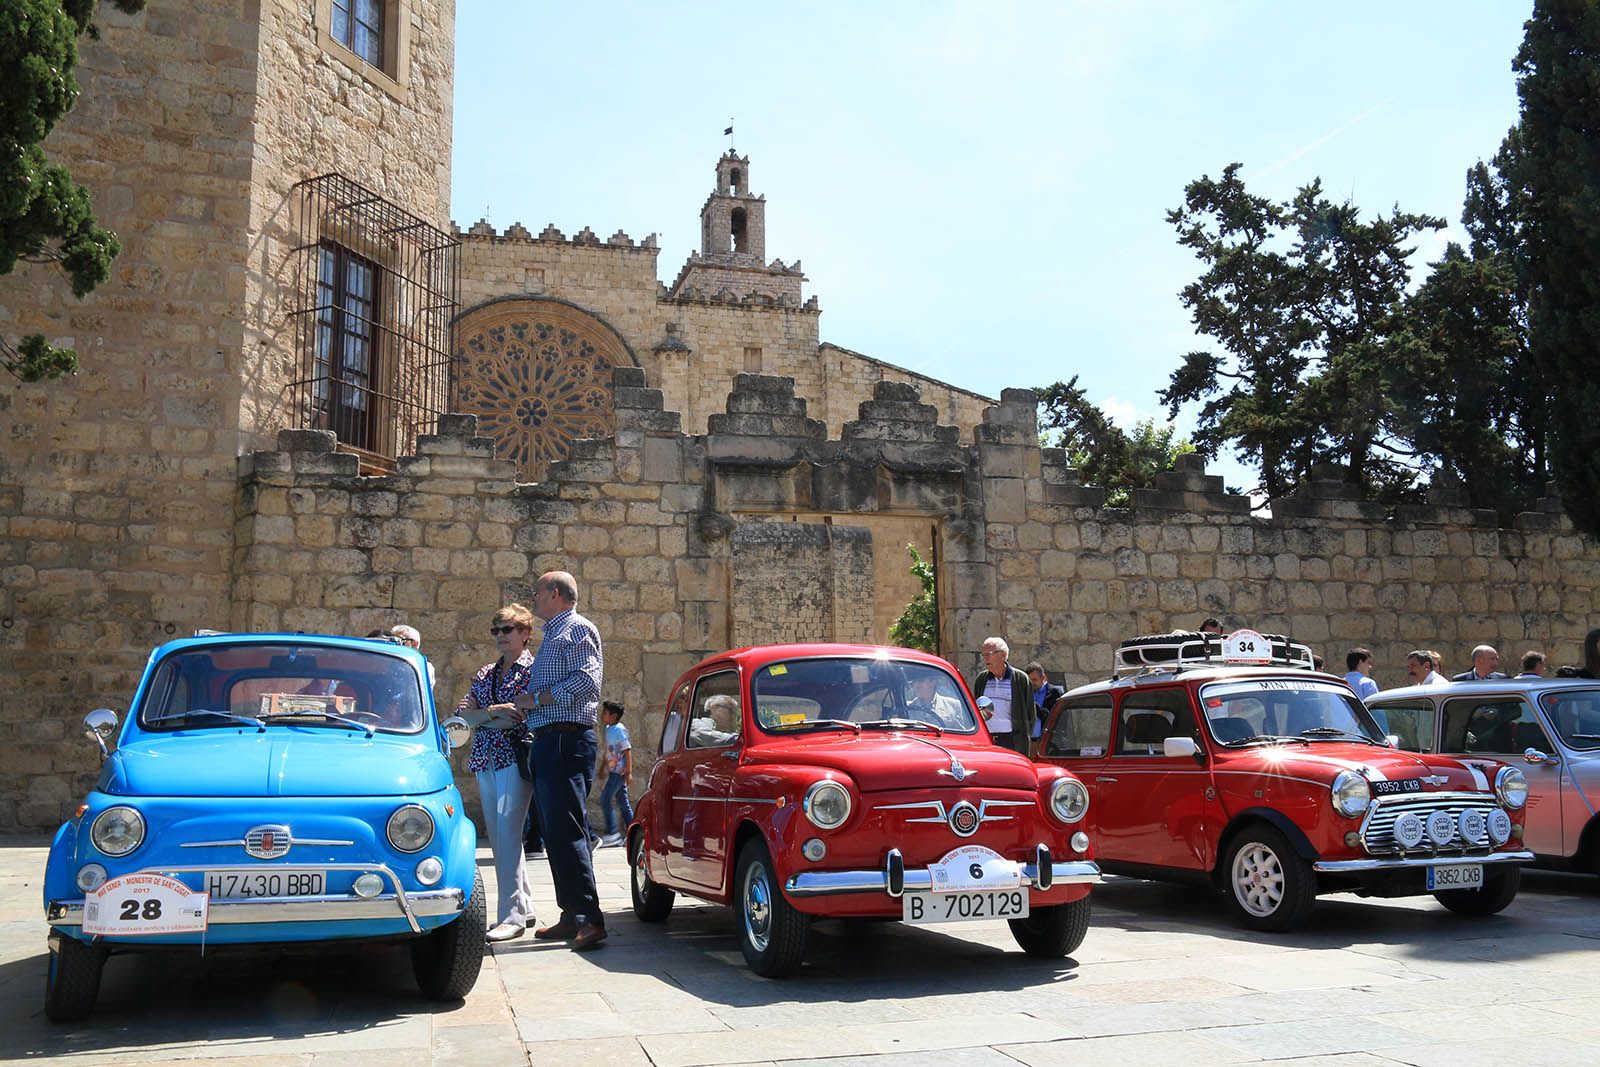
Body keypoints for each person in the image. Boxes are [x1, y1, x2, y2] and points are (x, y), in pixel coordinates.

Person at [513, 571, 607, 950]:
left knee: (567, 830)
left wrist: (535, 700)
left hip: (567, 739)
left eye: (538, 592)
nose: (534, 598)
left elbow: (587, 681)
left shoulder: (577, 628)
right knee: (554, 832)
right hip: (551, 739)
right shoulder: (554, 632)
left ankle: (589, 919)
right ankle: (572, 915)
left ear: (555, 594)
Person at [455, 604, 536, 943]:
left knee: (505, 835)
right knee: (503, 834)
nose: (501, 635)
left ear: (525, 633)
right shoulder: (486, 671)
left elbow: (519, 717)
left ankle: (511, 915)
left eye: (508, 629)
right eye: (496, 629)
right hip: (485, 757)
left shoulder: (532, 670)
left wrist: (482, 714)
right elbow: (464, 716)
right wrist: (493, 712)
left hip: (513, 759)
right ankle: (525, 906)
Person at [970, 636, 1034, 755]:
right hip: (987, 741)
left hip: (1012, 742)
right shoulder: (981, 679)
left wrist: (1024, 738)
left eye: (989, 654)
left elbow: (1030, 714)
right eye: (983, 655)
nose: (985, 659)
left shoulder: (1020, 679)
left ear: (1003, 655)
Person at [595, 700, 633, 848]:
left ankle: (613, 833)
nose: (602, 715)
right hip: (613, 771)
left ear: (614, 715)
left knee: (605, 799)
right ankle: (632, 833)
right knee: (623, 803)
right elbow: (608, 751)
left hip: (619, 772)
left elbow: (627, 751)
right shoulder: (609, 729)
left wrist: (629, 772)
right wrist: (603, 767)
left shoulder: (619, 730)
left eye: (605, 713)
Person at [1024, 662, 1064, 741]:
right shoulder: (1025, 692)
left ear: (1043, 677)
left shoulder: (1054, 692)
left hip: (1046, 741)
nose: (1032, 683)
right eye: (1029, 681)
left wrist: (1031, 702)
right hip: (1028, 740)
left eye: (1034, 680)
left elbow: (1050, 717)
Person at [391, 622, 437, 691]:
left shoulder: (424, 667)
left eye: (400, 641)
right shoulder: (388, 662)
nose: (394, 645)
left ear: (415, 644)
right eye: (392, 640)